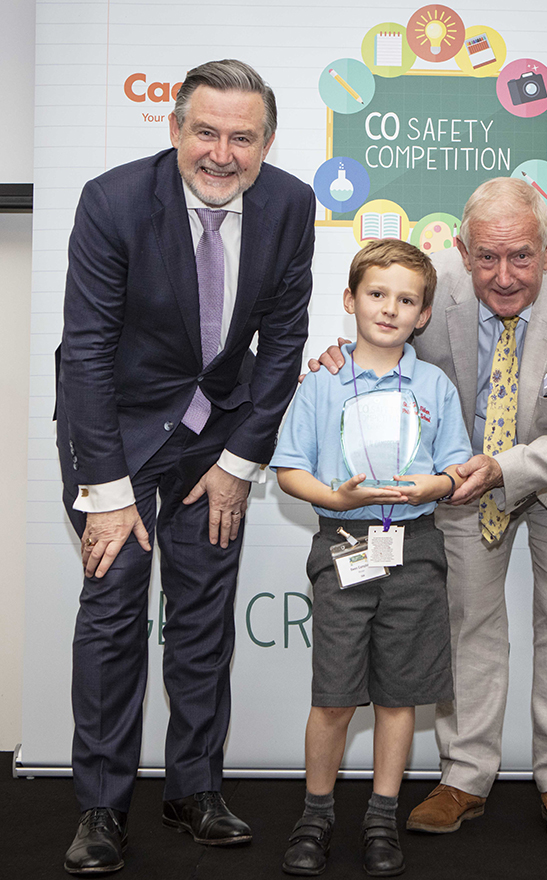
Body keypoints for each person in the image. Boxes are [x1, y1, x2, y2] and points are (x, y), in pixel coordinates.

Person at [56, 59, 316, 874]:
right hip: (118, 438)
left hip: (216, 445)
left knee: (203, 619)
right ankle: (100, 807)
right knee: (113, 619)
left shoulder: (291, 203)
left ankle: (194, 788)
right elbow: (88, 353)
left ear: (266, 142)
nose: (221, 153)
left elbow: (283, 341)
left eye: (243, 137)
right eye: (205, 132)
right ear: (175, 129)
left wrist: (243, 460)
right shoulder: (113, 201)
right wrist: (104, 492)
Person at [313, 177, 547, 841]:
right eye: (486, 257)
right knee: (466, 617)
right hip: (462, 474)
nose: (504, 275)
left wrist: (504, 469)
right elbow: (386, 349)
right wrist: (344, 361)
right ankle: (463, 775)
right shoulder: (433, 294)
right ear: (462, 250)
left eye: (521, 256)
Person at [272, 240, 473, 876]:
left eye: (406, 300)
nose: (389, 308)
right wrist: (334, 495)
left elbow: (454, 468)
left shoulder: (434, 385)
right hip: (344, 546)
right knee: (333, 694)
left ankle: (382, 817)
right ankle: (316, 813)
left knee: (398, 693)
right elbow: (288, 469)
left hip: (414, 548)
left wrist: (434, 488)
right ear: (350, 300)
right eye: (376, 294)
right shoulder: (324, 380)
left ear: (423, 314)